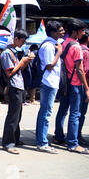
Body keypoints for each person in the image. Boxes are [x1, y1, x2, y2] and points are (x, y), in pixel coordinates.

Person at [54, 19, 89, 153]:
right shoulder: (76, 47)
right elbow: (80, 70)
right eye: (81, 30)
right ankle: (73, 143)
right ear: (75, 31)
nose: (83, 32)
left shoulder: (65, 43)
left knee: (63, 110)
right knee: (75, 113)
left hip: (65, 82)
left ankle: (58, 136)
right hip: (75, 84)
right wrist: (86, 88)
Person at [0, 29, 34, 154]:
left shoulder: (15, 52)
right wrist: (23, 61)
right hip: (13, 86)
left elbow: (19, 69)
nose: (23, 43)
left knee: (17, 115)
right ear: (16, 39)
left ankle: (15, 139)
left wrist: (26, 61)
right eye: (22, 41)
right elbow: (9, 73)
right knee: (13, 116)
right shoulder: (7, 53)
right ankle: (8, 143)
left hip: (19, 85)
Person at [35, 21, 65, 154]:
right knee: (45, 113)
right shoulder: (48, 46)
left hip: (51, 82)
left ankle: (41, 140)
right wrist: (59, 52)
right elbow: (49, 65)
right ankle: (42, 142)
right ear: (53, 32)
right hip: (48, 82)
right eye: (61, 30)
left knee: (45, 112)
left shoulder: (52, 44)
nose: (63, 32)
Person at [78, 29, 89, 145]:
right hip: (84, 84)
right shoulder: (86, 52)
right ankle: (77, 135)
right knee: (81, 112)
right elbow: (86, 71)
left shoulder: (76, 48)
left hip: (76, 84)